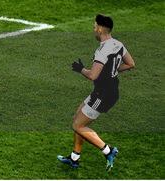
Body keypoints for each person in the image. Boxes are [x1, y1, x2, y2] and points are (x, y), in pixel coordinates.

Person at [57, 14, 135, 171]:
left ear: (100, 29)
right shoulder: (118, 44)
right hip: (109, 90)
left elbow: (92, 75)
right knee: (78, 116)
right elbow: (131, 64)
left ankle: (108, 150)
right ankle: (74, 158)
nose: (93, 30)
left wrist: (81, 69)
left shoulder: (102, 51)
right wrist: (112, 71)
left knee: (78, 126)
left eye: (94, 27)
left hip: (103, 94)